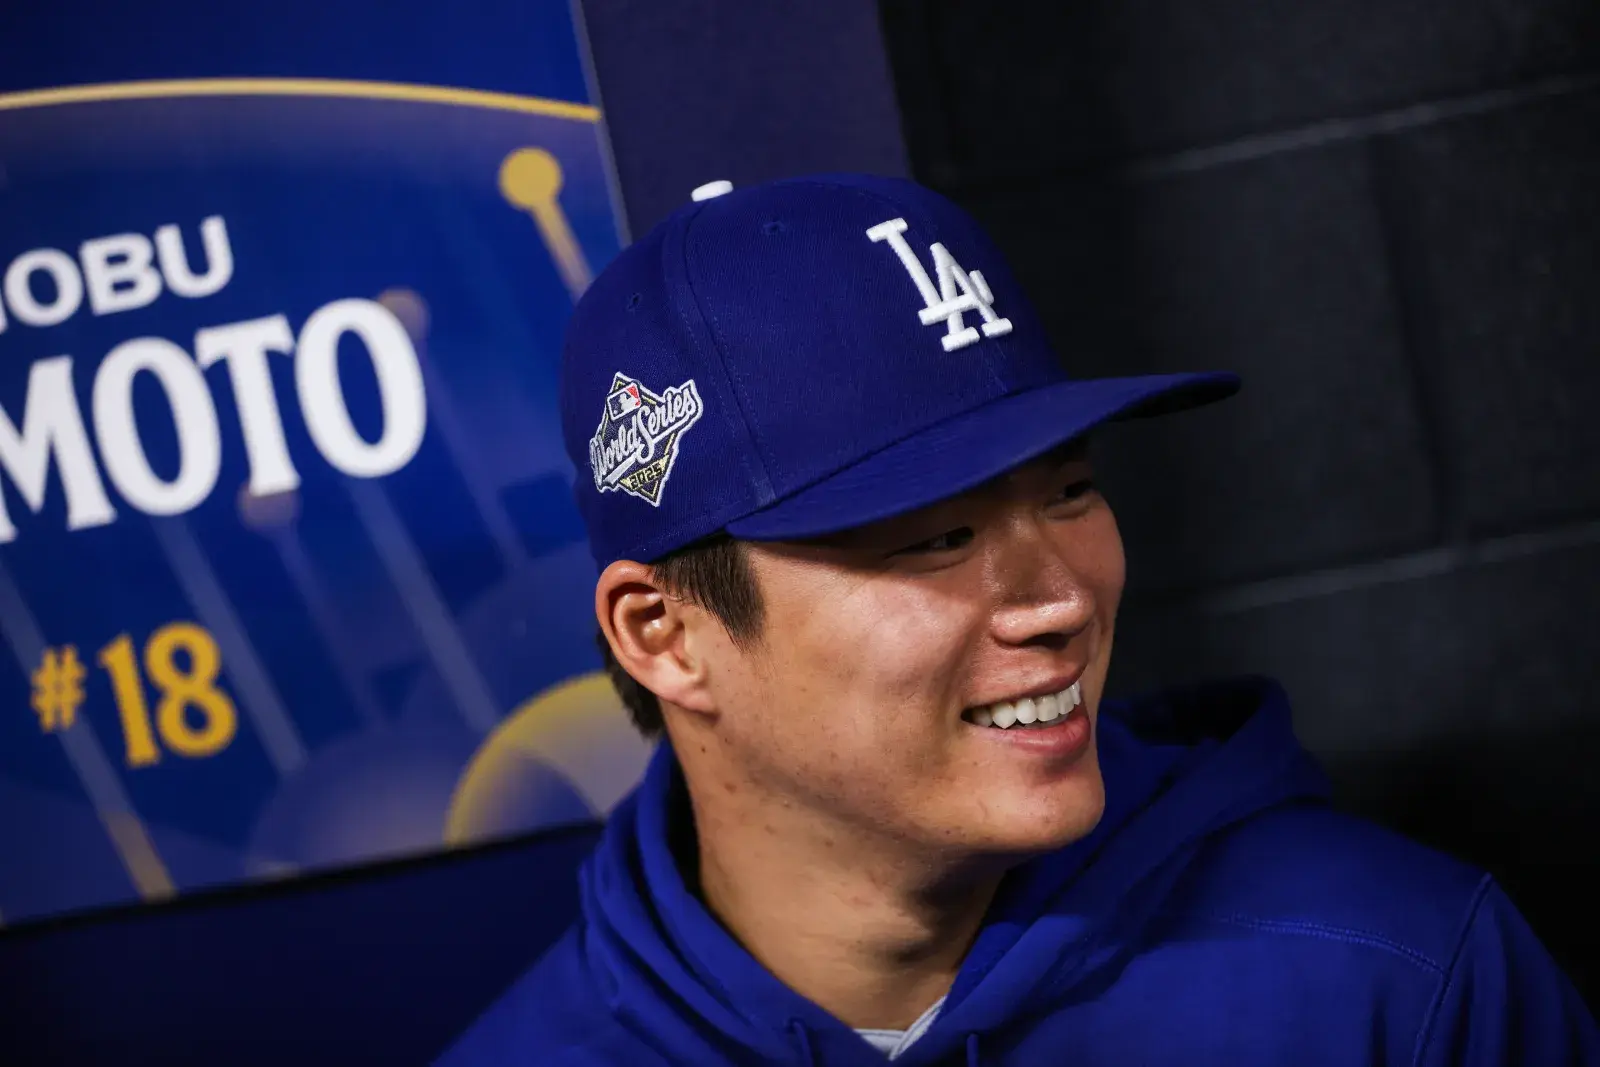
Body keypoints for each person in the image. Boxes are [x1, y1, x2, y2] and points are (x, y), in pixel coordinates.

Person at [436, 173, 1598, 1065]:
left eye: (1068, 491)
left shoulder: (1394, 973)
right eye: (935, 535)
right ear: (664, 634)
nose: (1059, 598)